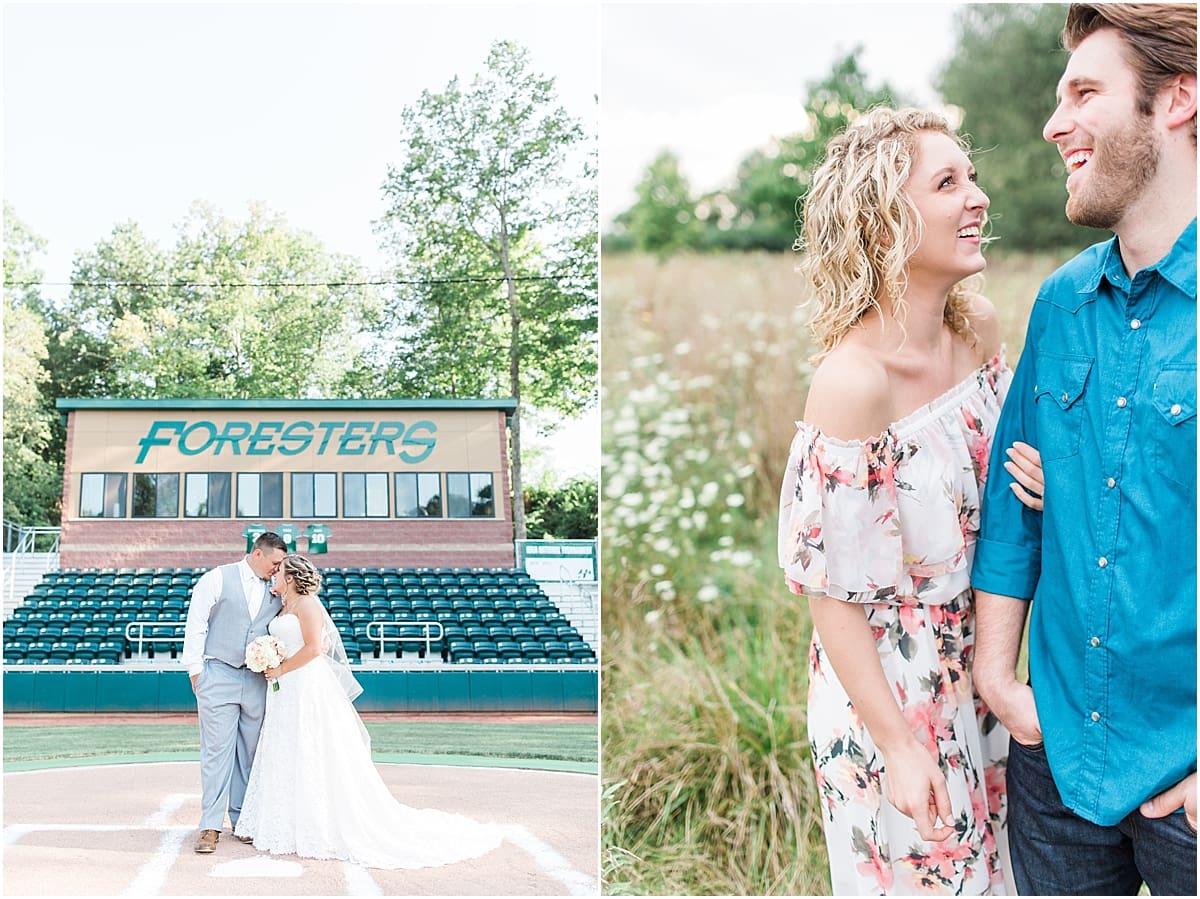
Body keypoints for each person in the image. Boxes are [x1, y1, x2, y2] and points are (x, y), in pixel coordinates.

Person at [778, 106, 1044, 895]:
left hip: (985, 665)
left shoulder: (981, 330)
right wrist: (899, 743)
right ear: (885, 218)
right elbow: (832, 599)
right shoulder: (853, 383)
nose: (978, 197)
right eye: (948, 182)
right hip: (889, 697)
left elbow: (996, 492)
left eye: (972, 176)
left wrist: (1041, 481)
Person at [971, 4, 1197, 895]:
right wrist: (998, 678)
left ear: (1176, 101)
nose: (1052, 122)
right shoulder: (1061, 304)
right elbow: (1010, 513)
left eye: (1084, 92)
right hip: (1057, 757)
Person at [233, 554, 504, 868]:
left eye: (278, 572)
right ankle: (283, 821)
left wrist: (280, 669)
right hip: (284, 690)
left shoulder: (307, 604)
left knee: (311, 747)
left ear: (291, 577)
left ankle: (317, 822)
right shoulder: (281, 607)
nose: (273, 576)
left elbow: (313, 649)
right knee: (284, 748)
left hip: (305, 684)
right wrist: (269, 659)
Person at [181, 530, 288, 854]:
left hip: (257, 680)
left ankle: (243, 820)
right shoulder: (217, 578)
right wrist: (195, 670)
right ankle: (210, 825)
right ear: (258, 553)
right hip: (219, 674)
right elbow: (196, 622)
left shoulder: (277, 589)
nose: (277, 568)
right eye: (275, 562)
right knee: (217, 752)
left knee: (250, 754)